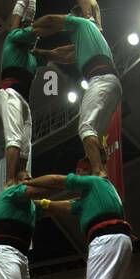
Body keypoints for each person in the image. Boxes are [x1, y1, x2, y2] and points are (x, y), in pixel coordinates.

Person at [30, 12, 121, 172]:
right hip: (111, 84)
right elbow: (65, 54)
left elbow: (51, 20)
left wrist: (30, 30)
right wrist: (44, 54)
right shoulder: (88, 39)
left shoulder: (81, 23)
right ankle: (99, 172)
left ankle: (99, 174)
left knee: (86, 128)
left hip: (100, 79)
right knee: (95, 140)